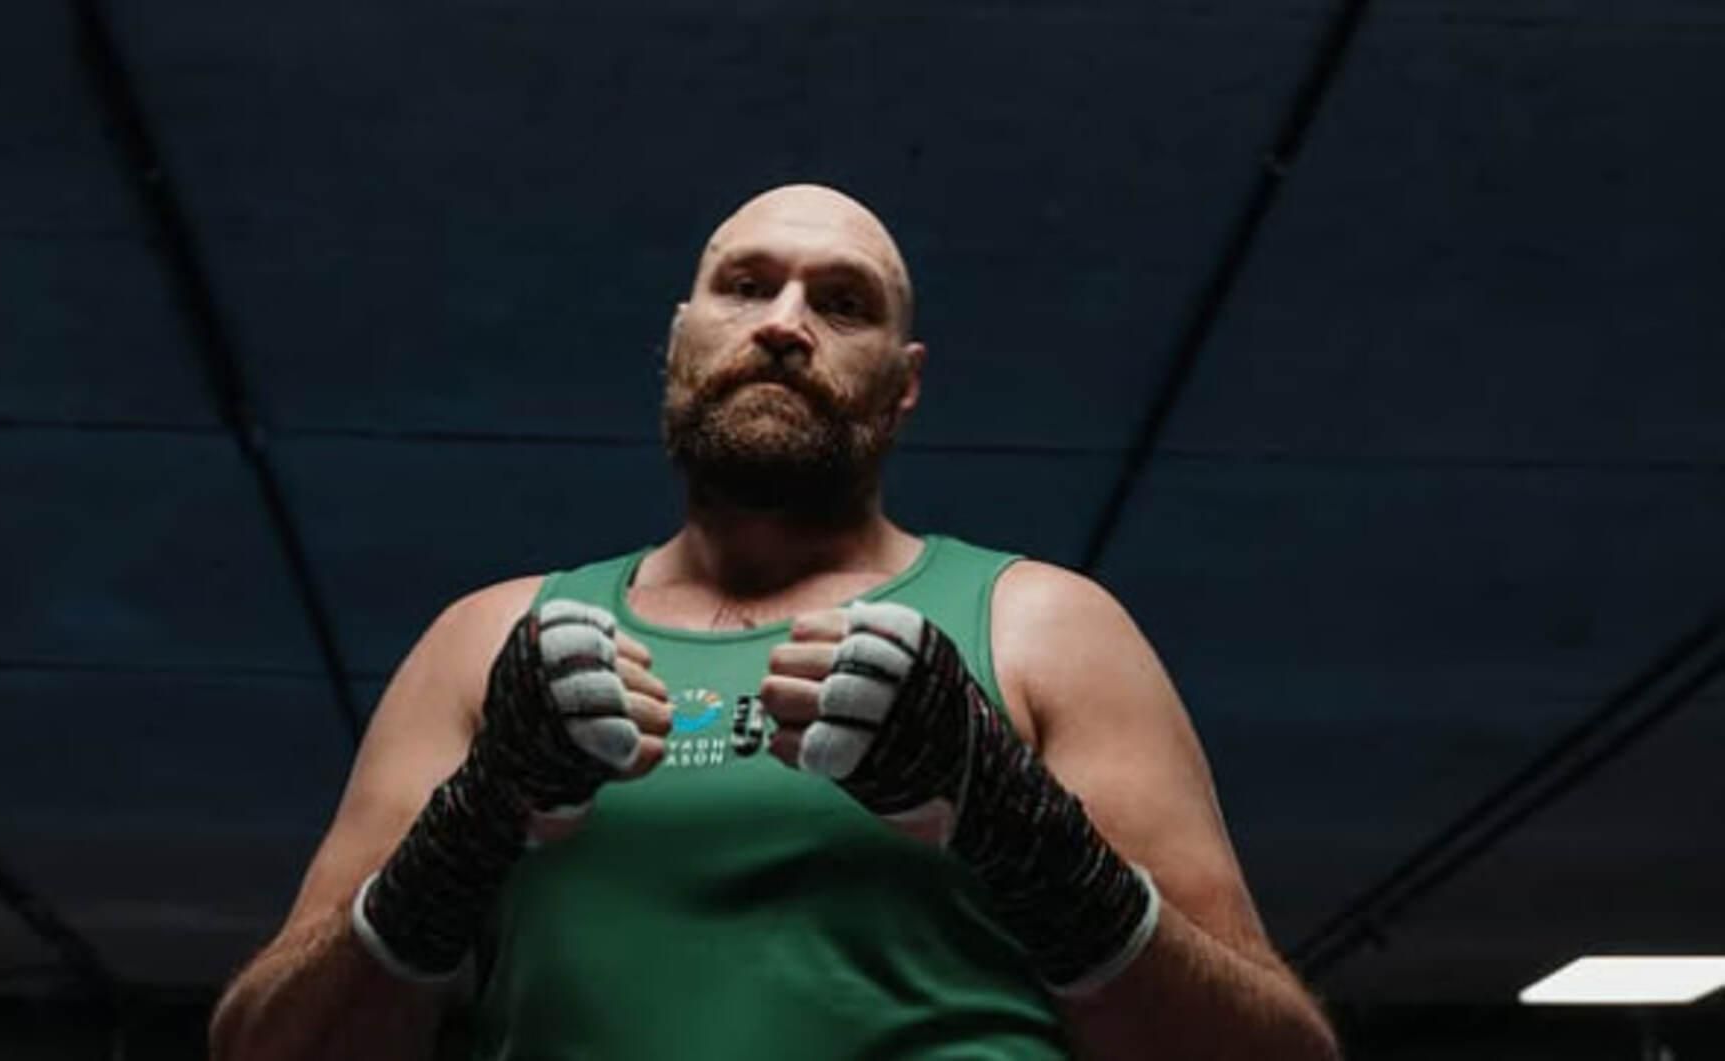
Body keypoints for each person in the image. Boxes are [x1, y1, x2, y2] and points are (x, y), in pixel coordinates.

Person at [209, 184, 1341, 1060]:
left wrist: (1010, 815)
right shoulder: (488, 639)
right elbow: (268, 1047)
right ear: (679, 337)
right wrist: (475, 818)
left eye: (842, 302)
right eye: (745, 286)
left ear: (904, 382)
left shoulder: (1046, 627)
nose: (785, 324)